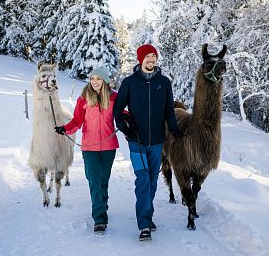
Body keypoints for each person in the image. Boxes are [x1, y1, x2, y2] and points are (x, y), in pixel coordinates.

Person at [113, 44, 183, 241]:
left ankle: (147, 212)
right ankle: (144, 224)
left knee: (152, 180)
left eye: (154, 56)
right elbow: (118, 109)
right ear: (140, 59)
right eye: (148, 57)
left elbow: (169, 109)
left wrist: (174, 128)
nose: (151, 60)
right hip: (136, 139)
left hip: (157, 140)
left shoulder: (164, 82)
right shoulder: (130, 82)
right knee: (142, 178)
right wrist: (124, 127)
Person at [55, 66, 118, 233]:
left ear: (104, 81)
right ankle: (99, 218)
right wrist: (65, 128)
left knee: (103, 181)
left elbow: (123, 114)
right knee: (93, 180)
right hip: (89, 147)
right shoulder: (83, 98)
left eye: (98, 79)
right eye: (92, 78)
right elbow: (77, 121)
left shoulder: (114, 98)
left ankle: (101, 205)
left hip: (109, 146)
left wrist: (129, 121)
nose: (95, 82)